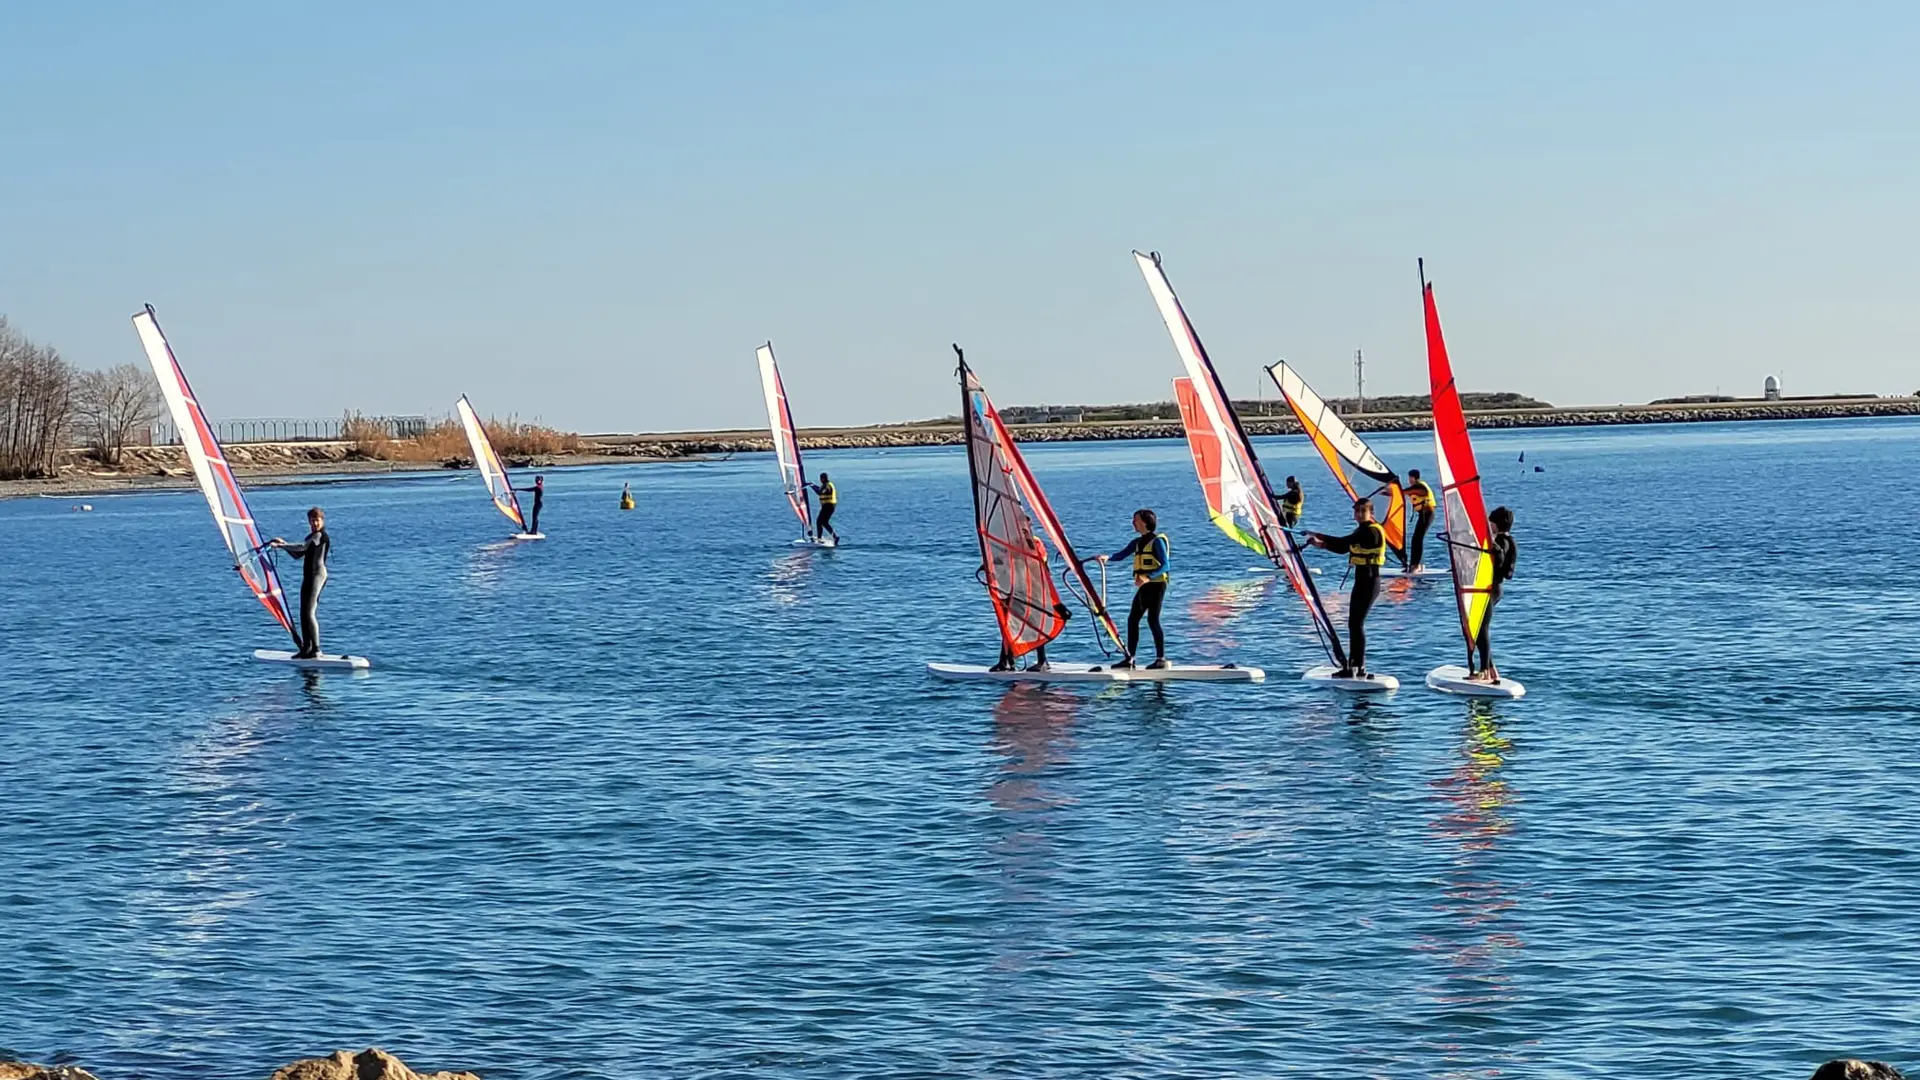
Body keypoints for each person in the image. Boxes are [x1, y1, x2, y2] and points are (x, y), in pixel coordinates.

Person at [1307, 498, 1386, 679]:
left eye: (1362, 511)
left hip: (1370, 581)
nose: (1358, 514)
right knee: (1353, 624)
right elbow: (1344, 549)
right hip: (1361, 581)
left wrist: (1320, 538)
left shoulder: (1371, 531)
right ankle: (1354, 666)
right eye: (1357, 511)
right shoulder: (1361, 530)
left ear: (1370, 513)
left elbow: (1344, 543)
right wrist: (1320, 543)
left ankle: (1358, 667)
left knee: (1356, 624)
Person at [1096, 508, 1171, 670]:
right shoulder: (1137, 542)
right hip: (1144, 586)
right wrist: (1107, 558)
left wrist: (1147, 577)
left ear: (1144, 522)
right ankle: (1130, 658)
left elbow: (1165, 565)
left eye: (1135, 520)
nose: (1133, 523)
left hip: (1157, 585)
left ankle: (1161, 659)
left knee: (1153, 620)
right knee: (1133, 619)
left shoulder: (1157, 541)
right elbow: (1121, 555)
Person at [269, 507, 330, 659]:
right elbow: (298, 554)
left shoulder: (320, 536)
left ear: (322, 521)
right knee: (303, 613)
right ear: (309, 521)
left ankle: (316, 650)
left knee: (309, 612)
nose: (315, 523)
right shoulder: (311, 536)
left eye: (318, 520)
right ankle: (306, 649)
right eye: (312, 520)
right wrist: (284, 545)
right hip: (309, 576)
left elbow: (302, 546)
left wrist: (282, 546)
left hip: (317, 576)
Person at [1470, 506, 1518, 683]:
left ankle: (1484, 670)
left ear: (1496, 525)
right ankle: (1491, 669)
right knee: (1476, 628)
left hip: (1491, 589)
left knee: (1481, 629)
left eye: (1490, 523)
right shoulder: (1503, 539)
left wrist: (1492, 544)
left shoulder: (1501, 541)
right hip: (1491, 588)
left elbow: (1499, 561)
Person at [1405, 469, 1437, 571]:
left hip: (1427, 514)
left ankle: (1416, 565)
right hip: (1423, 514)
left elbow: (1404, 491)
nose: (1409, 480)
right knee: (1416, 538)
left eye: (1410, 478)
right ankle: (1415, 564)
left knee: (1417, 539)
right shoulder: (1415, 487)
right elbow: (1404, 493)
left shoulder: (1420, 486)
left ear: (1414, 478)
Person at [808, 472, 839, 543]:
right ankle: (835, 537)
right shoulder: (826, 485)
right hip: (829, 506)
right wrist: (812, 485)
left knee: (819, 522)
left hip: (828, 506)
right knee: (824, 522)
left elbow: (820, 492)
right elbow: (820, 489)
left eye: (820, 479)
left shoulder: (827, 485)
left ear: (823, 478)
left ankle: (819, 539)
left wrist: (812, 487)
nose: (820, 480)